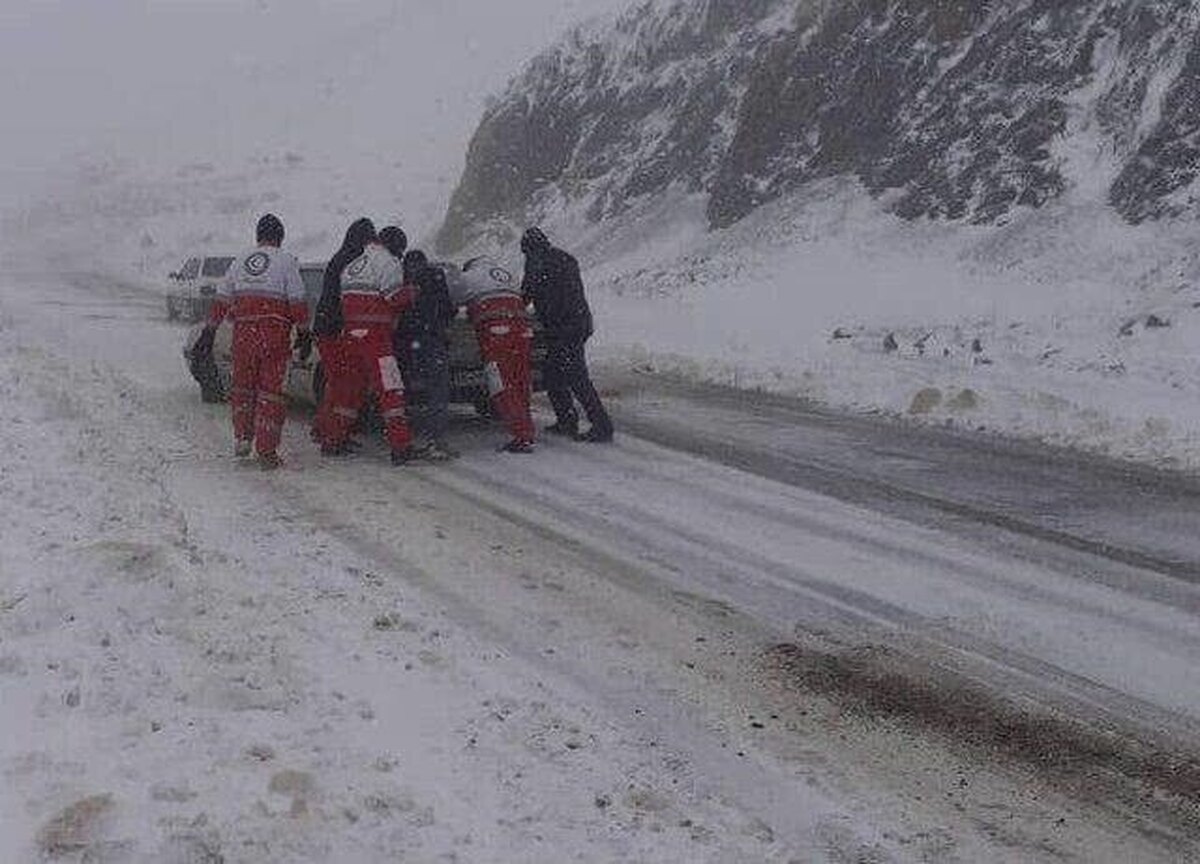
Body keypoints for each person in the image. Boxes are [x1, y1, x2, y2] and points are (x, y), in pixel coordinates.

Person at [202, 213, 309, 469]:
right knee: (271, 393)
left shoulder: (240, 260)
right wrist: (304, 332)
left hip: (243, 334)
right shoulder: (286, 261)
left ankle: (242, 438)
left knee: (242, 388)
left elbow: (222, 299)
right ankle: (266, 450)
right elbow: (297, 299)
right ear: (280, 237)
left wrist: (210, 329)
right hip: (274, 335)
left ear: (258, 236)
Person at [322, 229, 421, 465]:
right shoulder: (389, 262)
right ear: (395, 246)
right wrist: (413, 292)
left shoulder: (352, 265)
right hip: (376, 340)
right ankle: (401, 446)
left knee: (349, 392)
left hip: (351, 336)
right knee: (390, 391)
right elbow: (393, 297)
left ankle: (334, 440)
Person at [519, 227, 613, 442]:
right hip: (579, 323)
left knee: (575, 377)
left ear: (528, 248)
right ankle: (567, 420)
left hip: (563, 328)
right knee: (554, 374)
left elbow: (527, 294)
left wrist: (513, 306)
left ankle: (601, 425)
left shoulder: (537, 262)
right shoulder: (565, 258)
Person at [449, 257, 536, 453]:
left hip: (497, 331)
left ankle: (522, 435)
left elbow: (453, 302)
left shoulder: (468, 277)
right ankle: (526, 425)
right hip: (522, 329)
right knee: (521, 379)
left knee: (501, 383)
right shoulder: (506, 275)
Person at [311, 217, 375, 454]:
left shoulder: (339, 259)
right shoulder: (353, 262)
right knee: (346, 386)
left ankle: (324, 429)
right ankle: (334, 439)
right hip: (337, 330)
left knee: (334, 382)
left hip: (325, 327)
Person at [394, 246, 457, 460]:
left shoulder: (399, 278)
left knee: (398, 391)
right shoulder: (435, 276)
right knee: (437, 391)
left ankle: (400, 439)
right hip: (431, 341)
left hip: (403, 344)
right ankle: (435, 440)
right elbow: (449, 309)